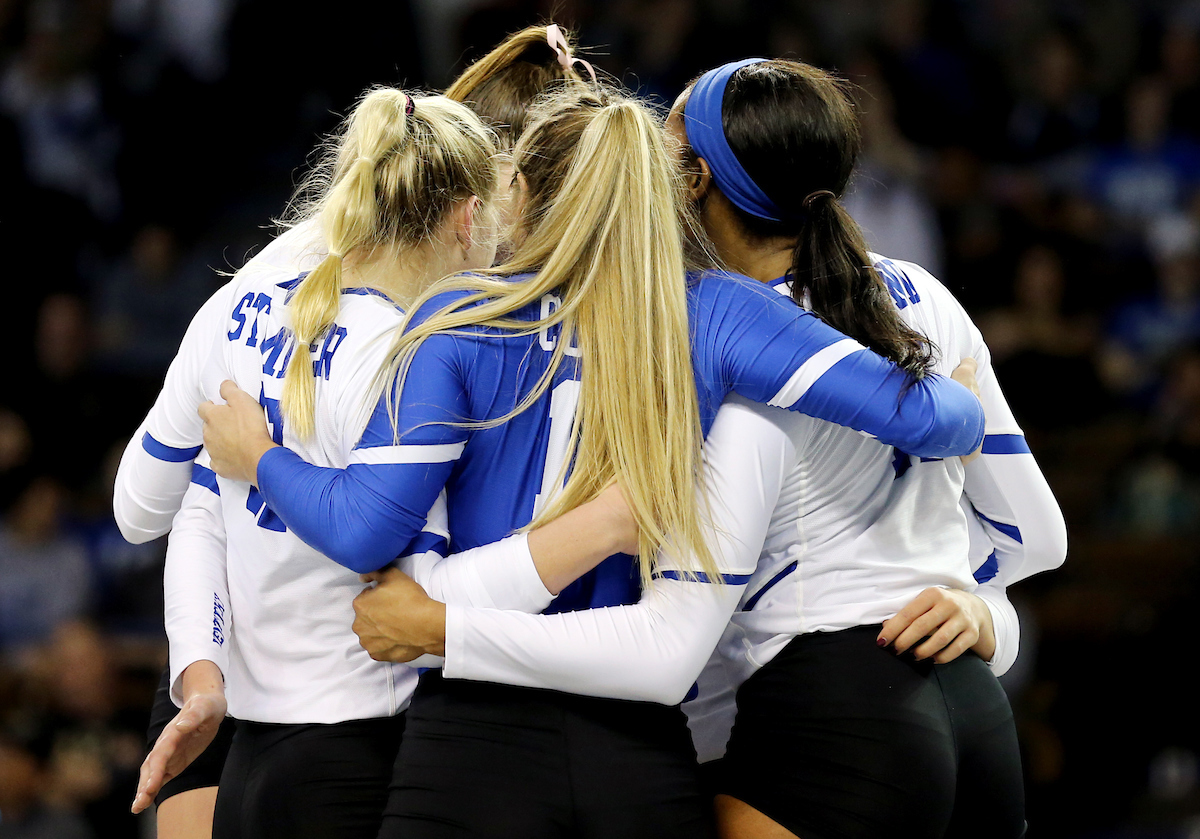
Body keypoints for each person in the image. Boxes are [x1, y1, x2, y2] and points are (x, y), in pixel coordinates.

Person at [200, 83, 985, 838]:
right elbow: (942, 422)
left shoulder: (462, 313)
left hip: (474, 748)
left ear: (525, 196)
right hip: (639, 755)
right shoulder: (718, 311)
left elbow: (367, 530)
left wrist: (260, 457)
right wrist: (957, 398)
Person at [116, 24, 594, 839]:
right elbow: (401, 571)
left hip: (245, 718)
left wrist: (201, 674)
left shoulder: (240, 302)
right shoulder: (426, 355)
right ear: (478, 204)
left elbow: (155, 507)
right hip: (365, 733)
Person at [662, 59, 1067, 839]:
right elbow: (1038, 536)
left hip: (824, 714)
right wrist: (984, 612)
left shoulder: (714, 331)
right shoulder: (925, 292)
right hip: (973, 709)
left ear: (697, 180)